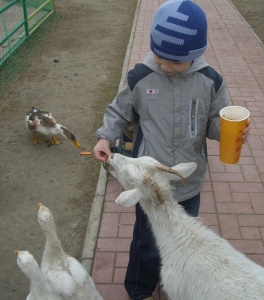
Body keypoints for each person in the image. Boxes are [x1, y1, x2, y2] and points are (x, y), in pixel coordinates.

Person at [93, 0, 251, 299]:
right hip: (149, 185)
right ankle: (139, 290)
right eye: (160, 57)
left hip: (188, 183)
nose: (166, 66)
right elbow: (118, 112)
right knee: (148, 245)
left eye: (176, 62)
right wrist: (104, 136)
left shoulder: (210, 81)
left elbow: (216, 122)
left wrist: (233, 132)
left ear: (196, 54)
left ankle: (171, 280)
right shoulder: (140, 77)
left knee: (181, 243)